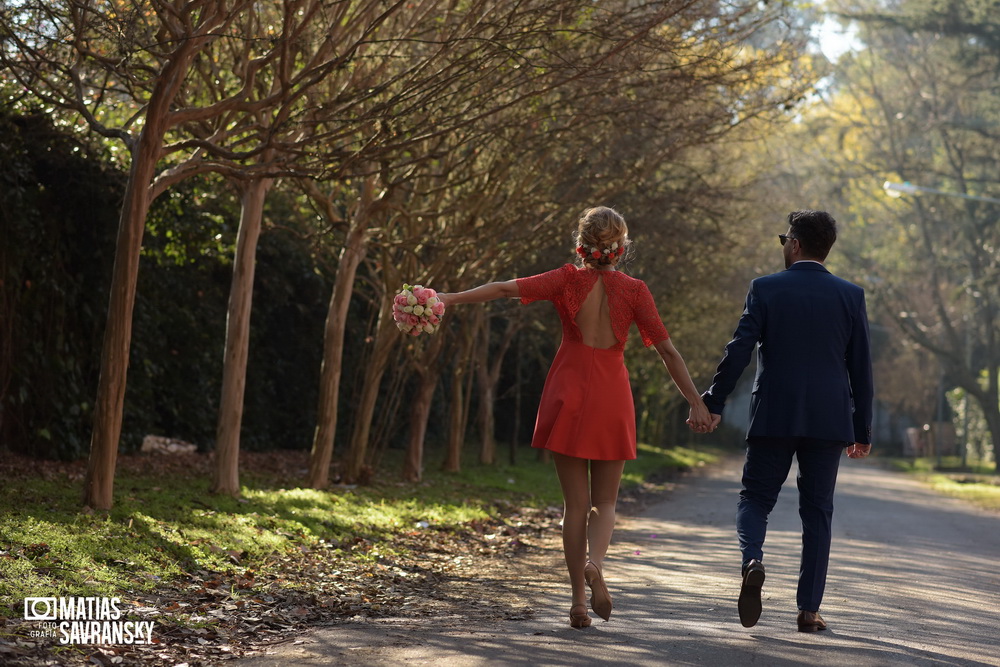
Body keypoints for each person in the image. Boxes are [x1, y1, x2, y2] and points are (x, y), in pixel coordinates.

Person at [438, 206, 713, 628]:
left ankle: (578, 603)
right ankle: (596, 562)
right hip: (611, 395)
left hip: (567, 390)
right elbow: (667, 351)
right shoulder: (636, 290)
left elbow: (502, 290)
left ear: (582, 244)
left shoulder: (566, 279)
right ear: (620, 249)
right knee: (605, 502)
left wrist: (448, 298)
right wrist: (696, 401)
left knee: (575, 505)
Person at [701, 209, 873, 632]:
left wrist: (714, 400)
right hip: (829, 420)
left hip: (774, 414)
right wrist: (862, 429)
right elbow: (862, 368)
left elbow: (739, 349)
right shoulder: (850, 296)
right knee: (817, 512)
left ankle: (753, 559)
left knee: (755, 499)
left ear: (794, 244)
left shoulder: (765, 288)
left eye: (784, 241)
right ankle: (809, 609)